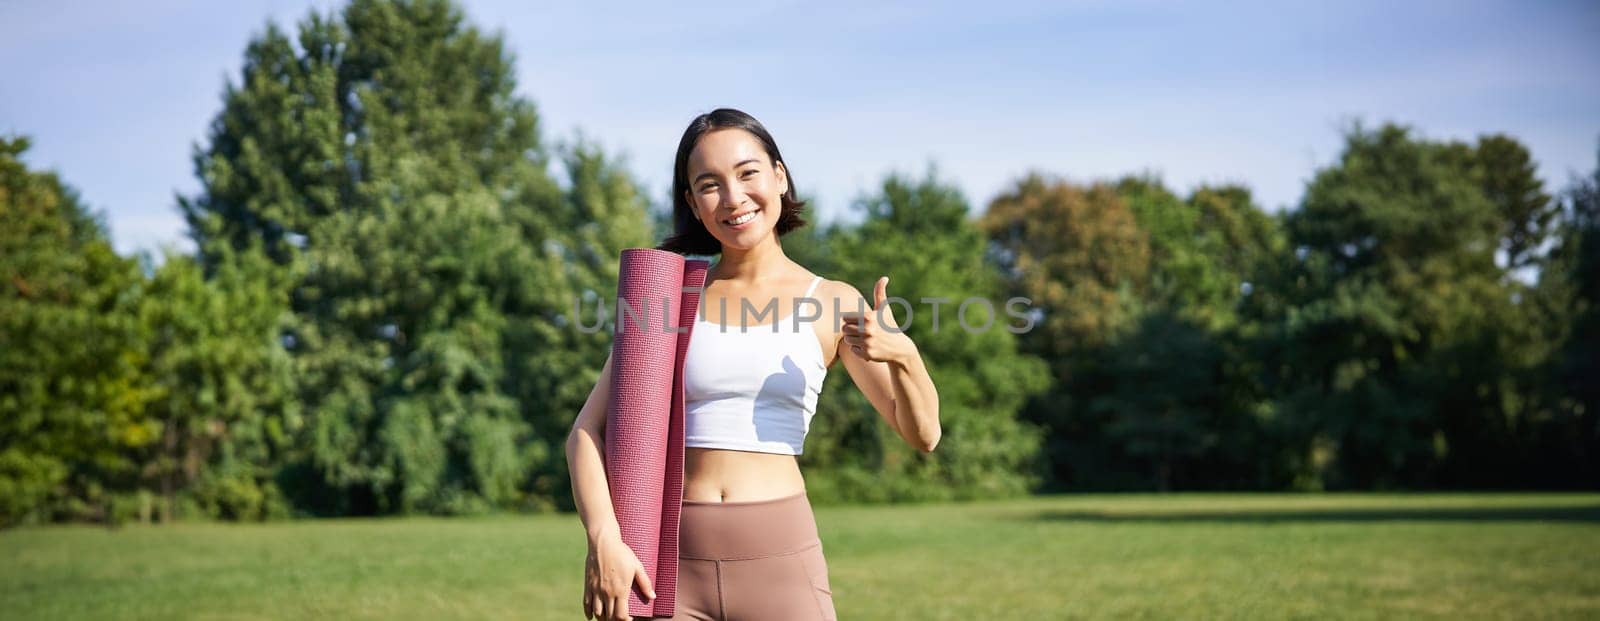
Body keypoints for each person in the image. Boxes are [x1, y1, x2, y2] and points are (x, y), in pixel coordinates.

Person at [566, 108, 941, 621]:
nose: (734, 197)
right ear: (693, 204)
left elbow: (923, 435)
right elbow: (587, 431)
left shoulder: (831, 301)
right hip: (668, 568)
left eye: (748, 173)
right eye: (710, 184)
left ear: (779, 177)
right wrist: (604, 538)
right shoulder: (667, 299)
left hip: (781, 561)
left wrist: (904, 354)